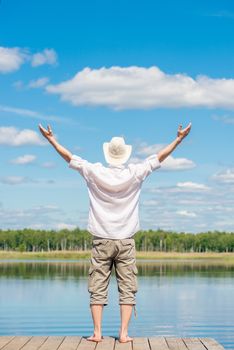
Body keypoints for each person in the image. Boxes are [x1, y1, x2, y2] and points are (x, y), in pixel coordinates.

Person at [38, 122, 192, 343]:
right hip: (126, 240)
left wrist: (51, 139)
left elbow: (69, 157)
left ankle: (98, 333)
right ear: (125, 155)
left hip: (101, 239)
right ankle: (123, 334)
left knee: (97, 286)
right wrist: (178, 139)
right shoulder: (135, 172)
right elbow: (159, 157)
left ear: (108, 154)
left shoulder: (94, 171)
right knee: (127, 287)